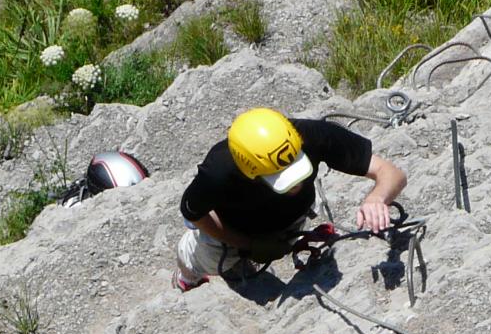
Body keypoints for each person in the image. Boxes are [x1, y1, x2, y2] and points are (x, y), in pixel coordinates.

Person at [174, 108, 407, 291]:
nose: (295, 185)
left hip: (292, 216)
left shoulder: (314, 136)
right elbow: (194, 214)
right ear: (248, 169)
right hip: (230, 231)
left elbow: (391, 173)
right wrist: (246, 244)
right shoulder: (218, 172)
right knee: (205, 260)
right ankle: (187, 276)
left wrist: (377, 197)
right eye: (281, 178)